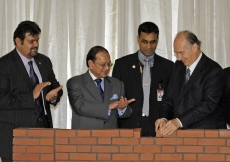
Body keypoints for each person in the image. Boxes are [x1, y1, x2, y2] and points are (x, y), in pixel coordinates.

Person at [0, 21, 63, 162]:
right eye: (31, 41)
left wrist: (53, 97)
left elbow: (54, 86)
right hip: (15, 134)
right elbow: (1, 98)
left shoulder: (44, 61)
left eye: (37, 40)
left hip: (44, 130)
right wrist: (31, 96)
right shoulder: (4, 65)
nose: (36, 45)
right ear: (18, 41)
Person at [155, 30, 226, 136]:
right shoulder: (178, 67)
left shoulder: (213, 70)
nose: (178, 58)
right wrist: (163, 117)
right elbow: (169, 98)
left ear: (194, 47)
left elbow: (207, 105)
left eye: (181, 53)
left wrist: (179, 121)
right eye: (176, 53)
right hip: (181, 136)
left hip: (208, 135)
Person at [112, 22, 174, 136]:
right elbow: (114, 97)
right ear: (138, 39)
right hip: (128, 127)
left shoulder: (168, 67)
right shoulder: (122, 65)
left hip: (158, 128)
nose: (149, 46)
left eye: (153, 42)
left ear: (157, 40)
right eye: (145, 42)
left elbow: (171, 99)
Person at [67, 46, 135, 129]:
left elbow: (125, 113)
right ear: (90, 64)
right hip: (84, 138)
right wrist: (108, 107)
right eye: (103, 64)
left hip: (110, 138)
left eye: (109, 64)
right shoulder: (76, 82)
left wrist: (123, 108)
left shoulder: (117, 84)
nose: (107, 68)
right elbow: (80, 106)